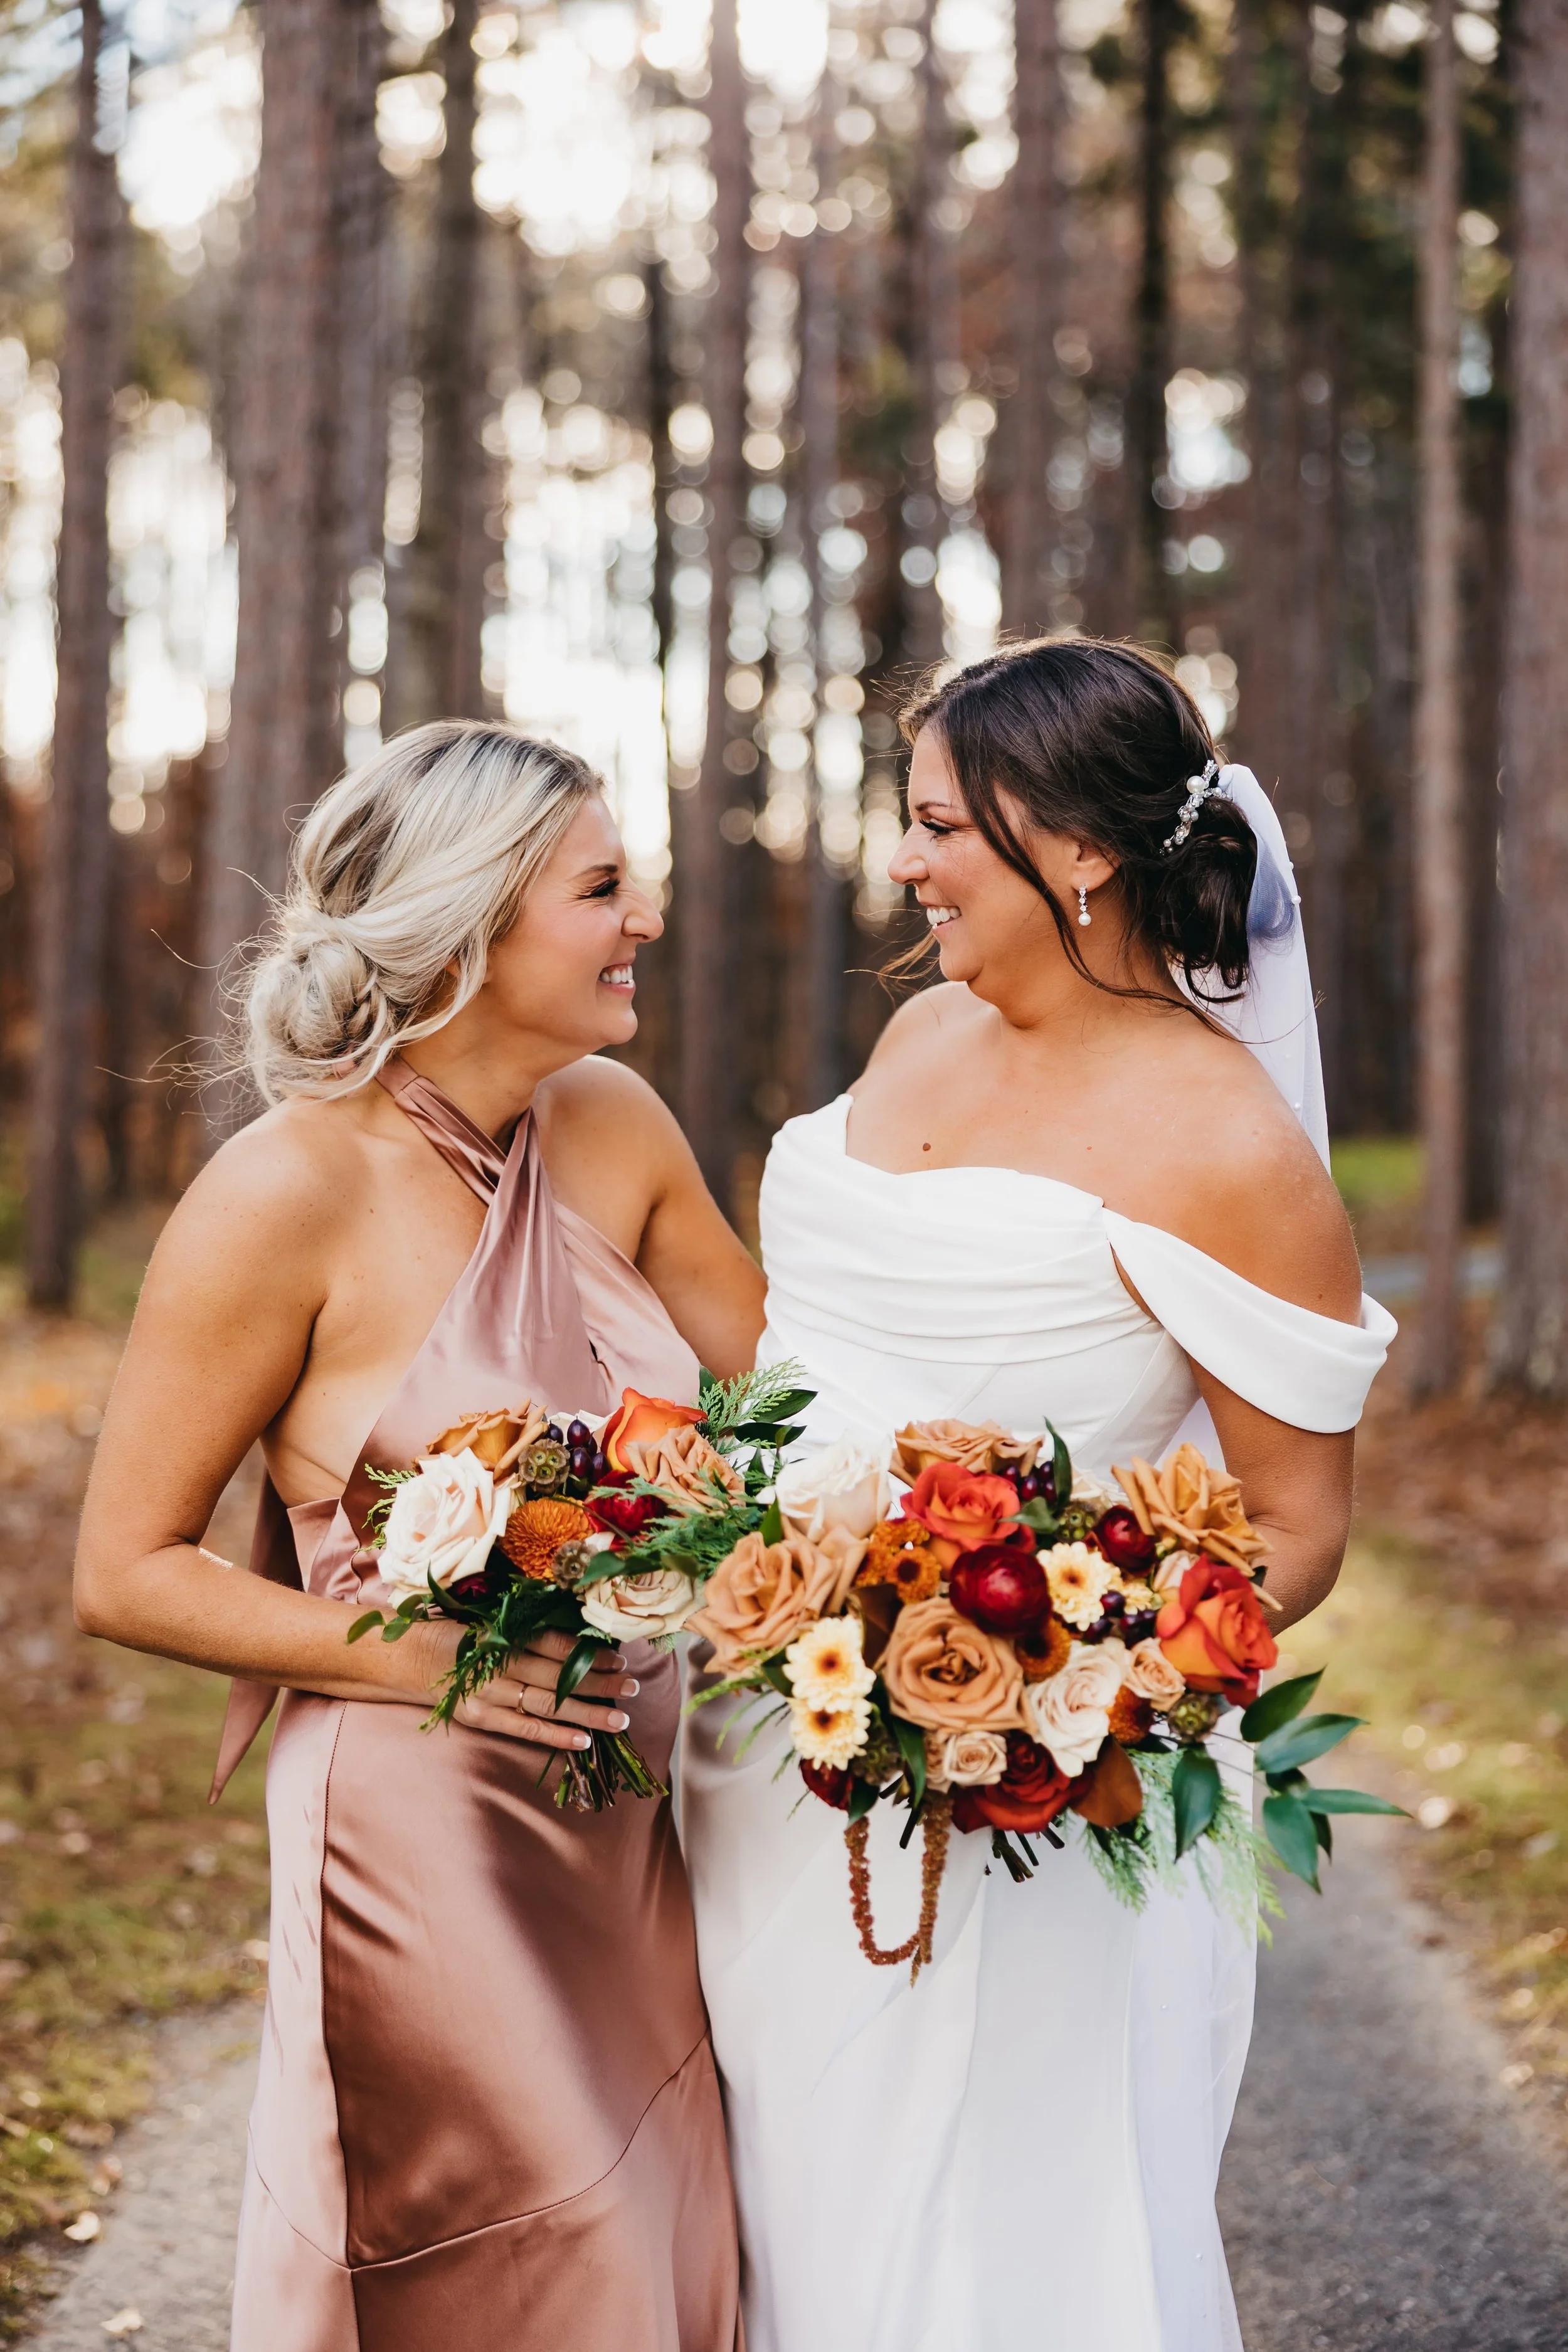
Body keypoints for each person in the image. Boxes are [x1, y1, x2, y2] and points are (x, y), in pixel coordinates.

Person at [677, 638, 1396, 2352]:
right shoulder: (919, 1028)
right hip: (759, 1748)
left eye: (936, 825)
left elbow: (1290, 1529)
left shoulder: (1225, 1145)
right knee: (778, 2187)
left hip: (1001, 1795)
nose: (904, 862)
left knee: (976, 2231)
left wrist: (1040, 1698)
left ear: (1072, 846)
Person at [74, 721, 765, 2351]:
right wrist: (429, 1649)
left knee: (668, 2210)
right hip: (423, 1828)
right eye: (604, 888)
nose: (644, 920)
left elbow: (786, 1417)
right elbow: (123, 1571)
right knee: (525, 2243)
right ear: (465, 927)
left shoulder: (616, 1126)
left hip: (635, 1817)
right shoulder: (280, 1192)